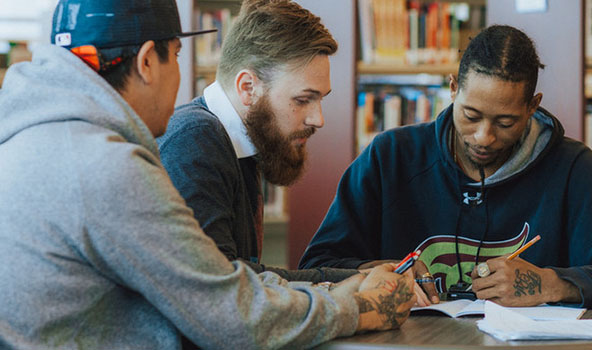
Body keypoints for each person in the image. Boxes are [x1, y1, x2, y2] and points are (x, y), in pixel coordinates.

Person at [0, 0, 414, 348]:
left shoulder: (42, 140)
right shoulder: (104, 164)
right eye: (177, 56)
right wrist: (357, 307)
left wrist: (341, 285)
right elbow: (227, 313)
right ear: (148, 62)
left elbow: (222, 281)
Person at [300, 25, 592, 308]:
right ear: (452, 88)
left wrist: (550, 283)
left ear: (533, 106)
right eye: (470, 115)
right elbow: (316, 266)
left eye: (506, 122)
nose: (483, 137)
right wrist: (378, 271)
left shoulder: (571, 168)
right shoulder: (390, 157)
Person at [157, 0, 356, 283]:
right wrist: (350, 283)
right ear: (248, 88)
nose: (318, 119)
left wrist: (357, 277)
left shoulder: (244, 142)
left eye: (320, 99)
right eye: (302, 100)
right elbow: (222, 284)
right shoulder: (194, 142)